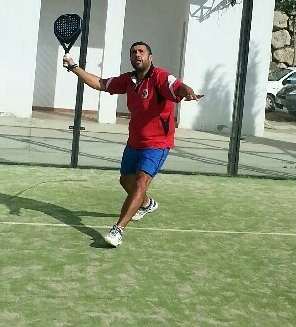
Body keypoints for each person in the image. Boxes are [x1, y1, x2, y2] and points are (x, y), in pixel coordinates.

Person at [62, 41, 203, 247]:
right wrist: (74, 67)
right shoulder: (128, 80)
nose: (137, 54)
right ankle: (147, 204)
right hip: (135, 142)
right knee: (125, 181)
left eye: (141, 51)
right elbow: (100, 83)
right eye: (134, 52)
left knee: (140, 182)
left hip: (157, 144)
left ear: (150, 57)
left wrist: (187, 91)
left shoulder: (160, 77)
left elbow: (177, 85)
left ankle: (118, 230)